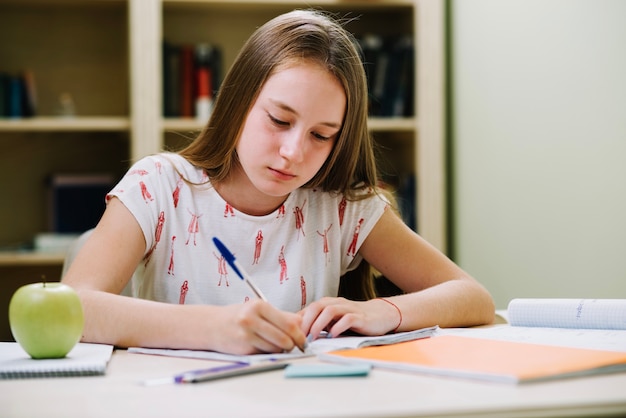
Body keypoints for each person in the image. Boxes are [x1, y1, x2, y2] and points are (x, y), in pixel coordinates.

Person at [62, 9, 494, 355]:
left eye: (321, 135)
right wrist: (213, 328)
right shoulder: (159, 186)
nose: (293, 152)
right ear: (239, 101)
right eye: (279, 119)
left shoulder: (341, 207)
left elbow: (473, 297)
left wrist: (383, 311)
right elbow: (71, 307)